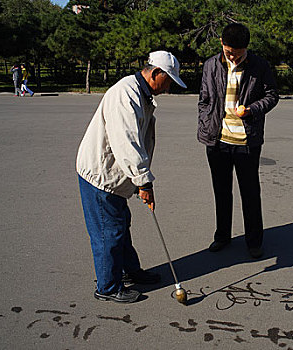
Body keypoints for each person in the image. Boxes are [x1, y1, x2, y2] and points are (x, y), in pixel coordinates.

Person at [76, 51, 186, 303]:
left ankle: (128, 272)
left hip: (116, 173)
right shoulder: (126, 94)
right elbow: (127, 143)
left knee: (120, 224)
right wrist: (143, 181)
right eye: (168, 81)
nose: (168, 88)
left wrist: (139, 180)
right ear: (155, 73)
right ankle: (107, 287)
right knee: (109, 231)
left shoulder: (142, 93)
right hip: (100, 173)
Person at [197, 23, 279, 259]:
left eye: (238, 53)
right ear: (222, 43)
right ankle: (222, 236)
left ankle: (254, 241)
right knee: (221, 191)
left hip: (246, 141)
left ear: (246, 48)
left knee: (250, 192)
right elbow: (204, 99)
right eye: (229, 51)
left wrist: (252, 109)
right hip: (217, 140)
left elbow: (272, 95)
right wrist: (205, 123)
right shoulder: (211, 65)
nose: (233, 56)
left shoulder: (259, 66)